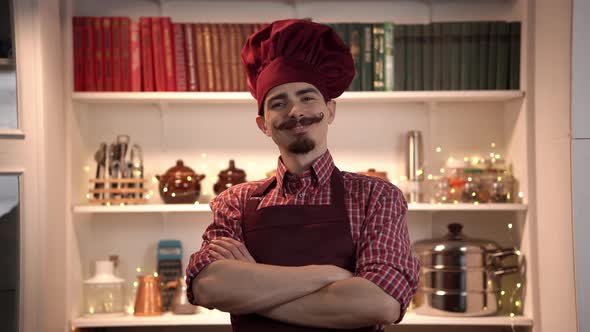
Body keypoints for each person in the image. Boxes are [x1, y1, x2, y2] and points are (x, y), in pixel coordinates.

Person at [185, 19, 420, 331]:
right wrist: (329, 275)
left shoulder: (375, 196)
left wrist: (252, 282)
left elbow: (381, 303)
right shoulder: (236, 201)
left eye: (307, 97)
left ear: (330, 110)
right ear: (263, 125)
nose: (295, 111)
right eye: (278, 103)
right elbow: (208, 287)